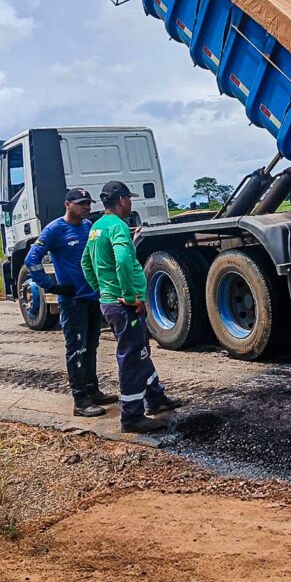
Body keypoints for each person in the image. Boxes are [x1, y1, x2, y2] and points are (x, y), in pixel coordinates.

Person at [82, 180, 183, 433]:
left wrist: (102, 290)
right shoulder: (118, 226)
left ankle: (156, 398)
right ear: (122, 200)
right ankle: (132, 417)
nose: (130, 204)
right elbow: (124, 260)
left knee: (140, 351)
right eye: (129, 199)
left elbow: (85, 263)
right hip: (124, 305)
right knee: (132, 358)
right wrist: (129, 295)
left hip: (110, 301)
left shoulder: (96, 227)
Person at [24, 188, 116, 418]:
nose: (87, 207)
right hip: (73, 301)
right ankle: (80, 400)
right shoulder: (55, 229)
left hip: (92, 297)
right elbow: (31, 259)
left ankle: (92, 390)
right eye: (82, 203)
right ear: (67, 204)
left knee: (91, 347)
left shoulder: (87, 226)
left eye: (88, 203)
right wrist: (50, 285)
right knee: (77, 349)